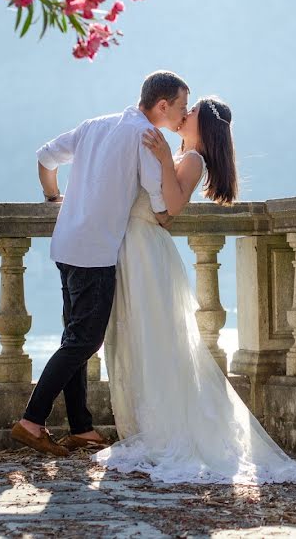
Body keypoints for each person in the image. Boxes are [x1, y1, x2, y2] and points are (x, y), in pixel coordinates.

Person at [93, 96, 296, 485]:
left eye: (190, 112)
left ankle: (165, 431)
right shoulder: (182, 154)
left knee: (154, 338)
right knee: (140, 337)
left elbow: (171, 209)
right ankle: (148, 425)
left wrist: (163, 158)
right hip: (137, 246)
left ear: (203, 125)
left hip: (146, 249)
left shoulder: (191, 159)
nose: (183, 116)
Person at [10, 71, 189, 456]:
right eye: (180, 108)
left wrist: (53, 197)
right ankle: (31, 421)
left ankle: (81, 427)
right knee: (85, 340)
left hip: (67, 244)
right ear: (162, 106)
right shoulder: (145, 137)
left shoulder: (96, 125)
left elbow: (44, 158)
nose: (183, 116)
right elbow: (161, 206)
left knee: (73, 337)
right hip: (96, 251)